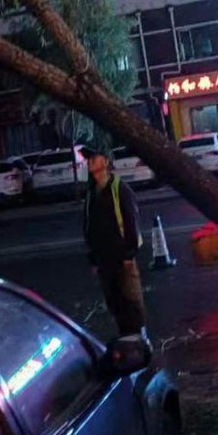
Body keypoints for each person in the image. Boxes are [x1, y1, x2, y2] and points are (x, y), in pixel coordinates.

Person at [81, 145, 147, 346]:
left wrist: (129, 255)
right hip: (103, 259)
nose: (90, 161)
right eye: (88, 158)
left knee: (131, 301)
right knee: (114, 302)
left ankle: (140, 341)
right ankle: (126, 340)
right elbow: (89, 226)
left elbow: (131, 222)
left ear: (106, 162)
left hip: (121, 258)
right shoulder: (92, 193)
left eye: (94, 157)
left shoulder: (120, 189)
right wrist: (93, 258)